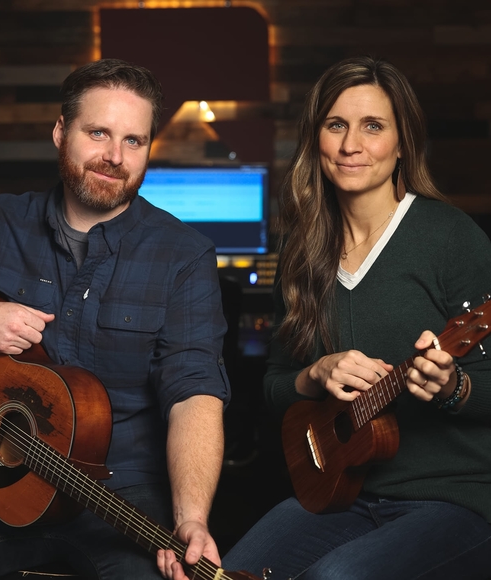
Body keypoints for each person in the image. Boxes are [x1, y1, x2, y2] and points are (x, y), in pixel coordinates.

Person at [0, 58, 230, 580]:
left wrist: (191, 516)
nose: (115, 156)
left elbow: (193, 393)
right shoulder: (4, 224)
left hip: (121, 493)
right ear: (61, 132)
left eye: (133, 140)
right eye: (98, 132)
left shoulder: (185, 255)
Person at [217, 56, 491, 580]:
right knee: (230, 573)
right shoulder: (301, 251)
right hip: (342, 495)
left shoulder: (451, 238)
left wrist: (454, 387)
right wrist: (315, 373)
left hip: (456, 500)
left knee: (336, 577)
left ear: (402, 142)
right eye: (336, 125)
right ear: (315, 138)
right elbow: (273, 388)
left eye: (373, 126)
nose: (351, 145)